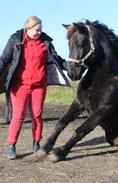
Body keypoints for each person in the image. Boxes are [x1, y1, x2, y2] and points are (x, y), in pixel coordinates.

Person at [0, 16, 70, 160]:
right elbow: (4, 59)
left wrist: (69, 66)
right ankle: (11, 146)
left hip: (39, 86)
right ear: (28, 28)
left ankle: (36, 143)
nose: (39, 32)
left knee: (37, 115)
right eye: (37, 30)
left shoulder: (45, 41)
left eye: (40, 30)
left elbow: (56, 59)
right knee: (18, 116)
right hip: (20, 86)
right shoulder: (16, 40)